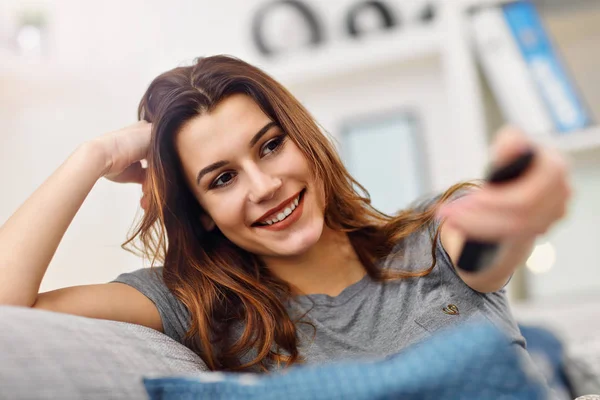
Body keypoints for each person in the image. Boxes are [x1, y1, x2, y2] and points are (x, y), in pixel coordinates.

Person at [0, 55, 570, 374]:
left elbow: (486, 238)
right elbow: (7, 311)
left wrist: (519, 211)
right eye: (221, 179)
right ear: (198, 213)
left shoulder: (432, 243)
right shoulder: (192, 307)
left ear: (303, 139)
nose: (266, 185)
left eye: (271, 145)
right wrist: (92, 157)